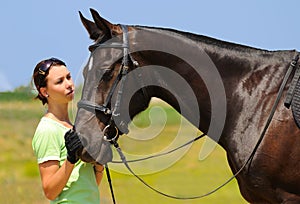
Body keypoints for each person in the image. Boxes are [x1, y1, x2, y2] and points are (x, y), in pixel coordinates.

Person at [32, 57, 104, 203]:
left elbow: (89, 185)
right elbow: (50, 192)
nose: (69, 84)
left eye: (69, 77)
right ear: (44, 91)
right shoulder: (48, 130)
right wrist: (70, 159)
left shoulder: (74, 127)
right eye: (60, 81)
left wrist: (99, 162)